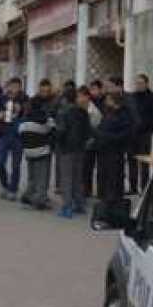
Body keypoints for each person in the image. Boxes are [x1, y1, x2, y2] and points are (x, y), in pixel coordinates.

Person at [54, 86, 93, 218]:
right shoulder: (83, 112)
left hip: (66, 149)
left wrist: (55, 141)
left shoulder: (63, 112)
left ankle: (66, 207)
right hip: (80, 148)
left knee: (66, 178)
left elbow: (60, 131)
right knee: (77, 178)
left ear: (64, 99)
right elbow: (88, 131)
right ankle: (80, 204)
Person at [18, 79, 56, 210]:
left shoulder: (30, 105)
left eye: (47, 91)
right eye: (43, 90)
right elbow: (50, 127)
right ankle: (40, 199)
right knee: (42, 175)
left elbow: (22, 126)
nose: (45, 93)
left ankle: (29, 195)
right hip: (42, 147)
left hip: (29, 147)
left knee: (33, 174)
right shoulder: (46, 108)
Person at [93, 90, 132, 215]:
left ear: (114, 101)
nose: (106, 102)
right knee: (105, 177)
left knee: (114, 179)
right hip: (104, 151)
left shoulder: (123, 116)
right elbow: (102, 127)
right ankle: (105, 203)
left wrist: (107, 137)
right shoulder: (108, 113)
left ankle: (112, 205)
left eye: (108, 99)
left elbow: (124, 135)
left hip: (115, 152)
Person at [125, 73, 153, 194]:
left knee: (144, 161)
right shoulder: (132, 98)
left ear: (147, 84)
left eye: (141, 83)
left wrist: (150, 130)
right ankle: (133, 187)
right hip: (132, 135)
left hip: (145, 135)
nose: (138, 85)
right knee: (132, 162)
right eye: (137, 83)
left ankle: (145, 187)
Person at [0, 77, 27, 201]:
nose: (14, 89)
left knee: (16, 165)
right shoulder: (1, 98)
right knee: (0, 161)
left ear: (20, 88)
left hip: (18, 136)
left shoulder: (24, 99)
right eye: (12, 86)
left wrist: (22, 109)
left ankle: (13, 189)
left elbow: (28, 113)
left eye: (17, 87)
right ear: (8, 87)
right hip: (4, 133)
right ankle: (4, 184)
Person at [83, 80, 105, 198]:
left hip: (101, 138)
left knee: (101, 168)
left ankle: (101, 191)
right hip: (91, 138)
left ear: (100, 89)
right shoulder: (89, 102)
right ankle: (87, 190)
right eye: (91, 89)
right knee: (87, 166)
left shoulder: (105, 102)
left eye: (95, 89)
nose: (93, 92)